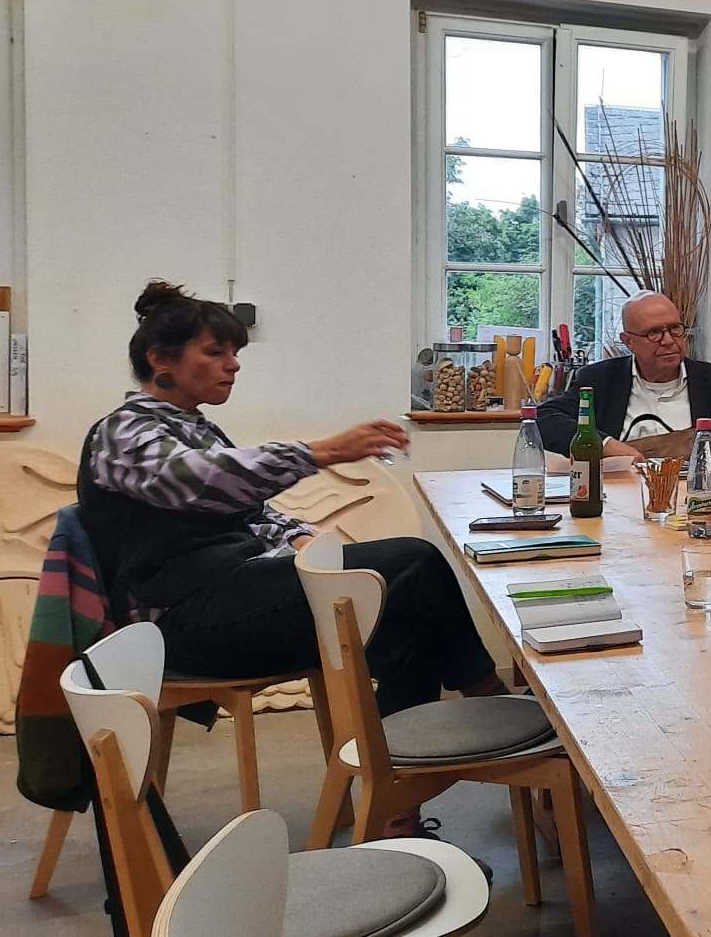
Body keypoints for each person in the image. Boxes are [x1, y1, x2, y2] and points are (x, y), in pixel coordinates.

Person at [80, 283, 508, 834]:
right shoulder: (123, 431)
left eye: (235, 353)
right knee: (413, 560)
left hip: (227, 600)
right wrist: (322, 452)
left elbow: (249, 510)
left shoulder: (196, 428)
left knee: (412, 628)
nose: (233, 365)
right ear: (161, 359)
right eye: (215, 352)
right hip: (178, 625)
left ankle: (393, 815)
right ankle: (489, 698)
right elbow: (201, 480)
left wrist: (301, 541)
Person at [537, 291, 711, 456]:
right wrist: (604, 444)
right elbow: (543, 418)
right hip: (617, 491)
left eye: (675, 329)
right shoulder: (600, 380)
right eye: (654, 333)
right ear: (628, 342)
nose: (668, 340)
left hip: (695, 493)